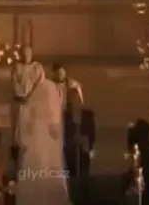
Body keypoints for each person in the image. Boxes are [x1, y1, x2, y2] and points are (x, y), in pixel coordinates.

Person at [12, 59, 70, 204]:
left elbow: (53, 116)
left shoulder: (48, 89)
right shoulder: (33, 97)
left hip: (45, 141)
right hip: (37, 142)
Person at [63, 88, 95, 203]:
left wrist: (87, 143)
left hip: (83, 153)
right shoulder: (64, 116)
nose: (75, 101)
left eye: (77, 98)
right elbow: (63, 133)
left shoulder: (88, 114)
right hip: (70, 153)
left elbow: (92, 133)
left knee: (84, 180)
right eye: (71, 99)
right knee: (71, 180)